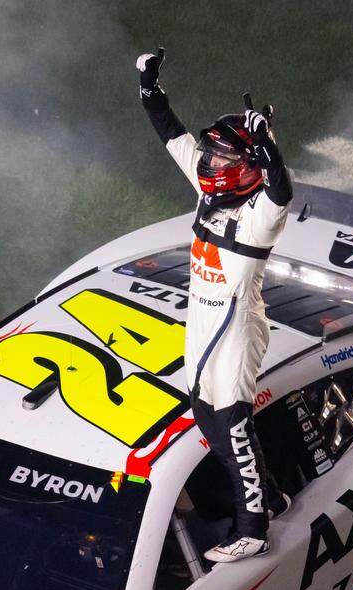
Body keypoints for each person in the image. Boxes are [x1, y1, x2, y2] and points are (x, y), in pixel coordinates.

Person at [136, 48, 293, 563]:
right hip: (203, 321)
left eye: (224, 156)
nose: (210, 161)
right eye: (213, 153)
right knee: (206, 415)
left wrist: (268, 149)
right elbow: (174, 139)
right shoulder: (210, 191)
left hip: (236, 328)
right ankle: (269, 495)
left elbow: (281, 191)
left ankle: (254, 527)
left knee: (231, 424)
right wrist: (150, 90)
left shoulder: (257, 218)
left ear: (247, 168)